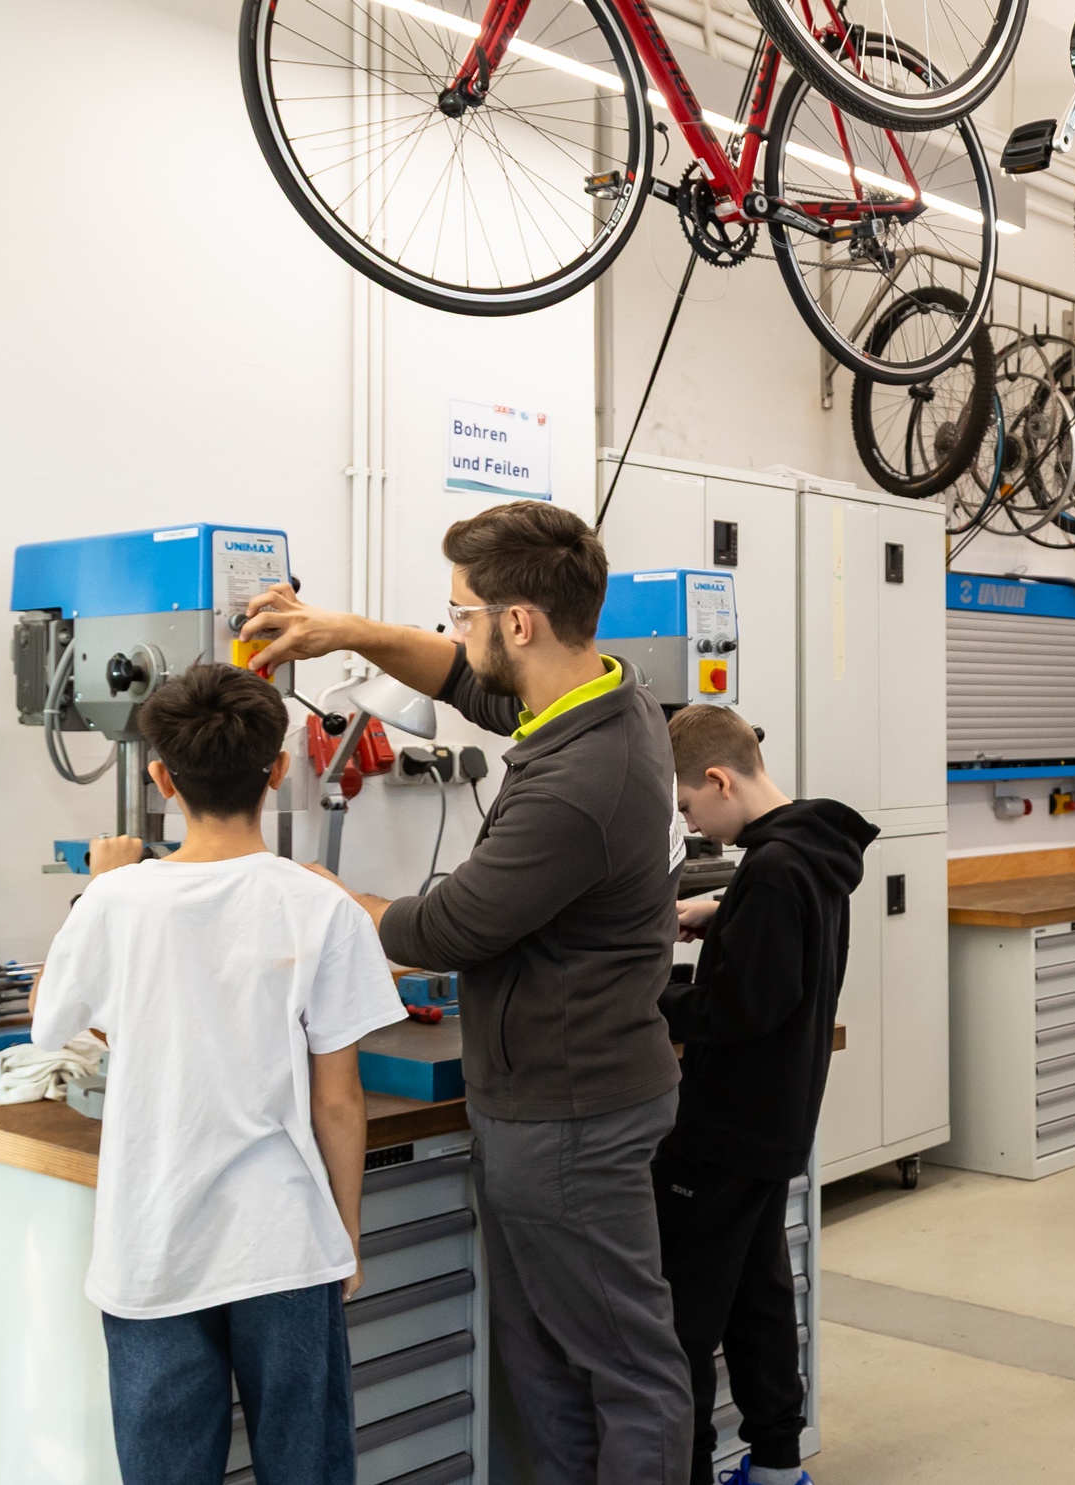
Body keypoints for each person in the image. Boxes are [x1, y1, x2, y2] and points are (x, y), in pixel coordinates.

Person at [242, 501, 693, 1484]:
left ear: (518, 623)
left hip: (571, 1116)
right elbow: (460, 680)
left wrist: (323, 898)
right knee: (545, 1370)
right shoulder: (601, 696)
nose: (452, 631)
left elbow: (449, 929)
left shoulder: (583, 777)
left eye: (461, 612)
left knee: (624, 1372)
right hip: (554, 1098)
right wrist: (342, 632)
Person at [31, 664, 405, 1485]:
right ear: (277, 769)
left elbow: (52, 1016)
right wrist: (345, 1239)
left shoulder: (115, 901)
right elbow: (339, 1103)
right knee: (307, 1466)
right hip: (285, 1238)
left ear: (162, 778)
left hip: (153, 1240)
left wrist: (101, 883)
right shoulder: (322, 906)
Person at [654, 704, 875, 1485]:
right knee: (757, 1300)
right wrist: (725, 915)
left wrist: (649, 998)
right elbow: (785, 942)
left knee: (677, 1323)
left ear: (717, 778)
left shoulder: (774, 871)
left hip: (724, 1125)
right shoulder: (812, 851)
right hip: (775, 1121)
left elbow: (744, 1007)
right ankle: (778, 1466)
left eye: (686, 805)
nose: (692, 824)